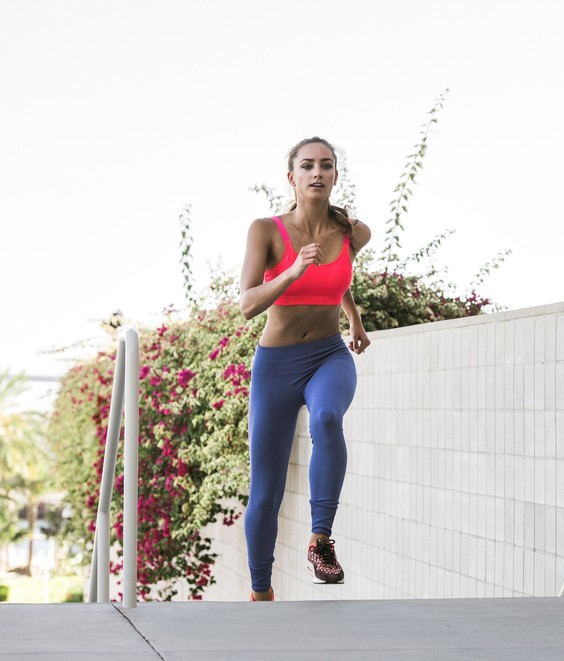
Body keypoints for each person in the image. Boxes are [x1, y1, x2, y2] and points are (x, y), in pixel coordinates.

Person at [239, 136, 371, 602]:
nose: (318, 173)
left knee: (328, 418)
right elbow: (247, 305)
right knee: (265, 493)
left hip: (328, 354)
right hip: (275, 366)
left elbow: (341, 278)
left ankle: (320, 541)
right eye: (308, 165)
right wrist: (292, 271)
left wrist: (353, 319)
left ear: (336, 176)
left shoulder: (352, 233)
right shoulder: (267, 230)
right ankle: (261, 591)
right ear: (291, 177)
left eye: (327, 165)